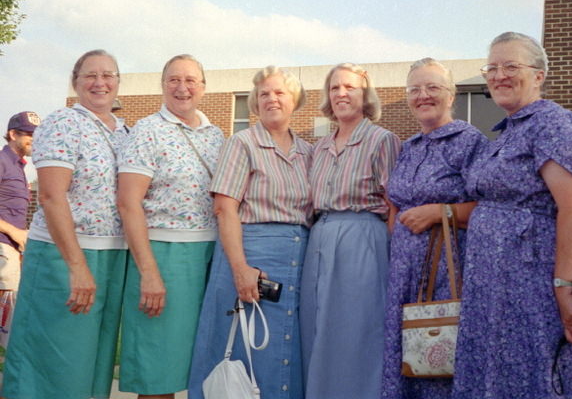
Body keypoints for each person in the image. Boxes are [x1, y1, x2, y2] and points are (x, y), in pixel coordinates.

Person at [452, 32, 572, 398]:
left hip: (534, 283)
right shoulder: (510, 131)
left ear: (539, 75)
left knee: (539, 372)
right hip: (496, 288)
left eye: (511, 66)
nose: (498, 75)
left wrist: (565, 286)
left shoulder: (551, 124)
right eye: (491, 67)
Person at [1, 50, 128, 399]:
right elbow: (52, 197)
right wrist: (77, 267)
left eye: (108, 75)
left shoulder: (125, 132)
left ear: (118, 82)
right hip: (64, 256)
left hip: (113, 255)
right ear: (75, 82)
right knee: (55, 365)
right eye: (90, 75)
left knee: (92, 365)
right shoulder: (62, 124)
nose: (100, 82)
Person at [187, 65, 312, 399]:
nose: (271, 99)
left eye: (279, 92)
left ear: (294, 101)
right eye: (263, 94)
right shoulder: (242, 143)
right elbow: (224, 208)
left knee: (286, 352)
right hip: (252, 259)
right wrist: (240, 268)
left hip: (297, 263)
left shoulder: (308, 152)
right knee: (247, 352)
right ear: (254, 103)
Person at [117, 54, 224, 399]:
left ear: (204, 88)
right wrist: (148, 272)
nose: (182, 87)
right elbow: (128, 203)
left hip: (211, 256)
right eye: (174, 80)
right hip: (163, 256)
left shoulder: (216, 136)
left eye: (191, 80)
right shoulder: (147, 130)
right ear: (162, 86)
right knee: (158, 367)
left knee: (204, 363)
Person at [381, 58, 488, 398]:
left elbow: (489, 209)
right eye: (415, 89)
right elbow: (396, 200)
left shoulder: (468, 141)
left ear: (452, 93)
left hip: (448, 270)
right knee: (409, 355)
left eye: (432, 87)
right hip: (404, 272)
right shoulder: (409, 147)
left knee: (441, 349)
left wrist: (437, 212)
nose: (422, 95)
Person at [300, 63, 401, 399]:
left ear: (365, 94)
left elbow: (393, 205)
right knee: (318, 329)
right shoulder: (320, 147)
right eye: (334, 88)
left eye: (350, 88)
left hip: (362, 240)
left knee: (356, 330)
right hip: (320, 239)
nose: (341, 94)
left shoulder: (381, 139)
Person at [0, 111, 39, 349]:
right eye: (29, 135)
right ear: (13, 134)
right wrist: (13, 232)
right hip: (2, 245)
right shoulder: (3, 162)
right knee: (7, 320)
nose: (34, 140)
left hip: (11, 249)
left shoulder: (19, 167)